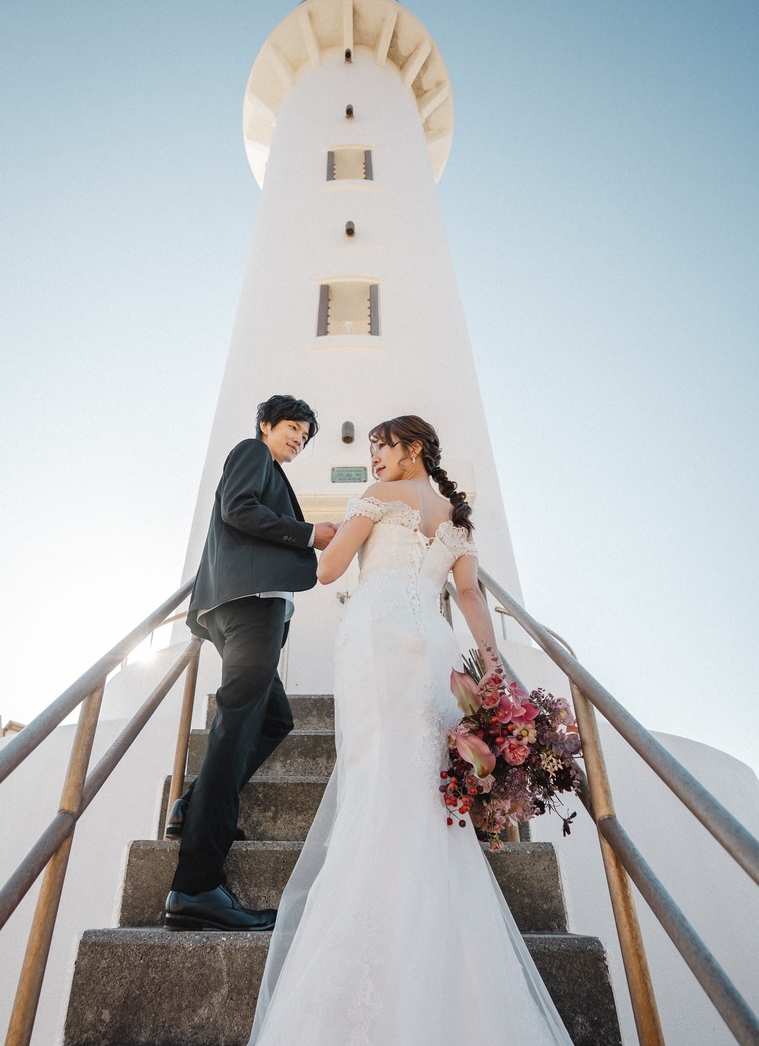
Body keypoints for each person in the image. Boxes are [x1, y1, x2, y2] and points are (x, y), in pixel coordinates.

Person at [248, 416, 573, 1044]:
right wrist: (494, 669)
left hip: (377, 635)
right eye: (369, 449)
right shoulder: (455, 514)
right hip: (435, 647)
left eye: (381, 447)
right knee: (427, 779)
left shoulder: (382, 499)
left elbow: (330, 570)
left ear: (412, 448)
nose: (373, 459)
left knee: (381, 772)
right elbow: (472, 595)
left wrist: (297, 536)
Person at [163, 395, 337, 933]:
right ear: (266, 425)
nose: (297, 440)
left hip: (253, 609)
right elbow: (237, 509)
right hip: (249, 605)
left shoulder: (272, 469)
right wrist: (310, 534)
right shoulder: (252, 453)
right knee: (234, 727)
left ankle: (194, 806)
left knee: (275, 720)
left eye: (304, 437)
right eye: (292, 428)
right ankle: (194, 887)